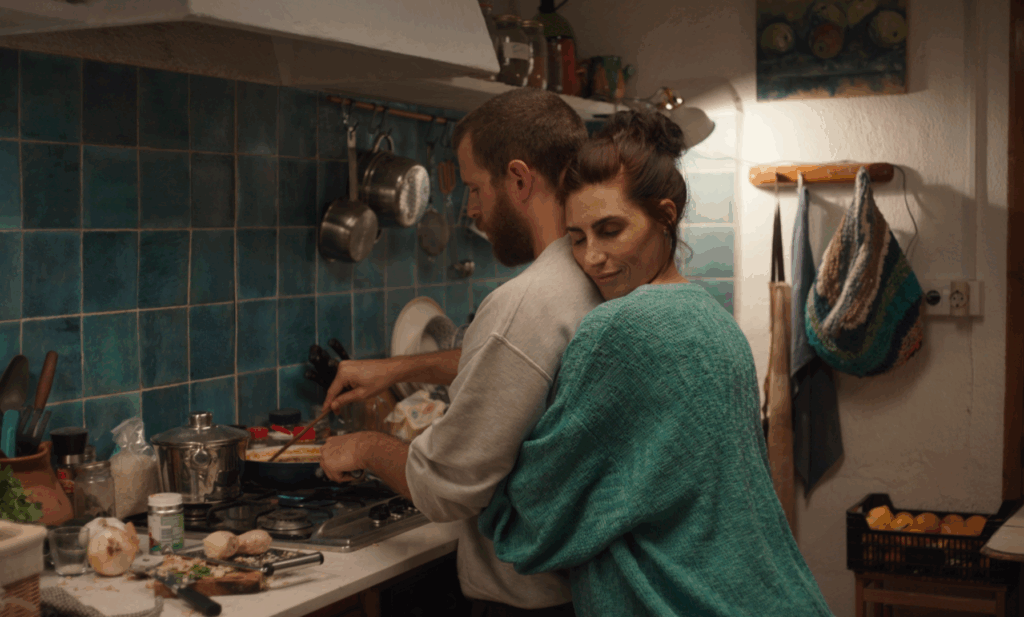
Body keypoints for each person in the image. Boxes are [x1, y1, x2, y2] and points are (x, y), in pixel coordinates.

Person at [476, 109, 835, 617]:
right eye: (577, 238)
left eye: (610, 230)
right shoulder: (714, 320)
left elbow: (534, 516)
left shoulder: (619, 329)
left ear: (665, 217)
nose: (592, 256)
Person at [318, 88, 603, 616]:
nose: (472, 209)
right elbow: (525, 365)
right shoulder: (594, 273)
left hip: (531, 604)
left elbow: (445, 487)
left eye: (474, 188)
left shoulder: (526, 303)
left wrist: (362, 447)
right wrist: (400, 369)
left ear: (519, 180)